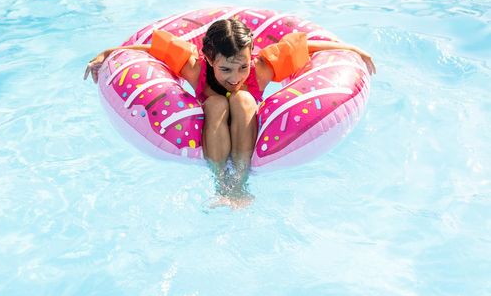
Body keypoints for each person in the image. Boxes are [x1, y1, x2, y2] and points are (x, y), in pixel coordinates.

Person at [84, 19, 375, 206]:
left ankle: (239, 184)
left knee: (242, 100)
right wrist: (106, 53)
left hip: (244, 123)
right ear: (209, 59)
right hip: (214, 122)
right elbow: (148, 49)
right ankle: (221, 183)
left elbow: (307, 47)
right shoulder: (192, 65)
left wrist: (352, 50)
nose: (235, 77)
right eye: (225, 69)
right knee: (217, 103)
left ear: (251, 58)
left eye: (242, 67)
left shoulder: (262, 67)